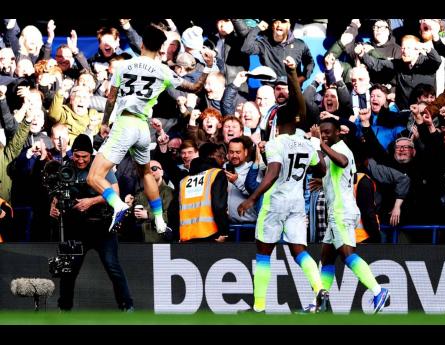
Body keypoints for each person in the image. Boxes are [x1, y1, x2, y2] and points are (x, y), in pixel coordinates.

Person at [87, 24, 214, 233]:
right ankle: (159, 220)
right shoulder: (163, 70)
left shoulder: (123, 66)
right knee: (146, 173)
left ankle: (118, 205)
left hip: (125, 124)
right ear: (160, 47)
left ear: (143, 44)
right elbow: (195, 88)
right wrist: (208, 67)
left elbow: (111, 99)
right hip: (144, 129)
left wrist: (104, 123)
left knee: (94, 177)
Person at [237, 56, 328, 313]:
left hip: (276, 201)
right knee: (299, 250)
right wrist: (316, 145)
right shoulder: (305, 142)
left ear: (281, 121)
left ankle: (259, 307)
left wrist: (252, 198)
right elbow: (320, 169)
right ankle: (319, 286)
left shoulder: (277, 143)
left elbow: (274, 172)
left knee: (264, 253)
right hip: (297, 201)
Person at [310, 117, 390, 313]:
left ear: (339, 133)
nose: (325, 135)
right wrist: (327, 183)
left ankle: (379, 291)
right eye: (322, 132)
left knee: (347, 255)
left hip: (341, 212)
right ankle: (319, 303)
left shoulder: (342, 150)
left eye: (328, 132)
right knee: (327, 258)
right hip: (337, 211)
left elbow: (344, 162)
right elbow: (351, 177)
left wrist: (318, 143)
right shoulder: (335, 152)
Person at [49, 134, 133, 311]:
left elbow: (115, 193)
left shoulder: (101, 167)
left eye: (84, 157)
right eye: (77, 156)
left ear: (90, 154)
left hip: (102, 227)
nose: (80, 160)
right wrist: (54, 207)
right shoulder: (66, 167)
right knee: (69, 270)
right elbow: (57, 195)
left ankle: (127, 306)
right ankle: (64, 309)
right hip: (76, 228)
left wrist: (91, 201)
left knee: (113, 267)